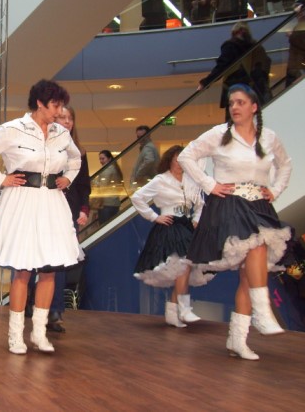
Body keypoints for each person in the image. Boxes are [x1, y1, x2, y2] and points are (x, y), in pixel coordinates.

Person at [178, 83, 292, 360]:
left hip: (259, 205)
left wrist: (275, 190)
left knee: (248, 273)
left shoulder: (269, 137)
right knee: (257, 245)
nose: (235, 107)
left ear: (254, 107)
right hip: (229, 205)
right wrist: (209, 184)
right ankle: (262, 312)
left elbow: (285, 164)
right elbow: (186, 156)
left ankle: (237, 340)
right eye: (231, 103)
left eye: (240, 102)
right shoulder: (219, 134)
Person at [0, 79, 81, 354]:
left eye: (61, 106)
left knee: (49, 270)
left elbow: (76, 158)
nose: (59, 111)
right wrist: (1, 178)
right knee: (23, 270)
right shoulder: (13, 129)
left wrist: (68, 177)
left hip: (52, 203)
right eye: (55, 105)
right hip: (22, 202)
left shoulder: (61, 133)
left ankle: (39, 333)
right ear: (40, 103)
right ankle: (15, 335)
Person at [131, 145, 213, 328]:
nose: (179, 163)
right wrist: (154, 217)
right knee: (183, 266)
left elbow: (200, 204)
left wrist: (196, 219)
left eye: (182, 160)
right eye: (176, 159)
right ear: (169, 160)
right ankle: (183, 309)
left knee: (184, 270)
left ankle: (173, 312)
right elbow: (137, 197)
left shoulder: (191, 181)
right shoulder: (161, 180)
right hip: (169, 227)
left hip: (186, 227)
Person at [48, 105, 91, 332]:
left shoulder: (80, 152)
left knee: (61, 262)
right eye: (62, 118)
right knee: (38, 259)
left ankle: (55, 311)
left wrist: (84, 209)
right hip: (45, 208)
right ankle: (33, 303)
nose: (67, 122)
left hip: (69, 212)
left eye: (70, 118)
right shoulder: (46, 147)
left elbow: (84, 186)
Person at [198, 21, 271, 121]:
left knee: (233, 117)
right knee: (252, 120)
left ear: (235, 32)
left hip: (234, 86)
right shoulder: (257, 47)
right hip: (254, 90)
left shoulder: (231, 45)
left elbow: (222, 66)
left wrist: (205, 82)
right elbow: (265, 65)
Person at [93, 149, 124, 225]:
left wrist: (92, 181)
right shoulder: (115, 168)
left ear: (109, 158)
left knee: (104, 226)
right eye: (100, 159)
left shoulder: (107, 169)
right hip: (114, 202)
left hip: (106, 203)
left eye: (103, 158)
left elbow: (102, 186)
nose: (101, 161)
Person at [130, 125, 160, 191]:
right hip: (147, 184)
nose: (140, 139)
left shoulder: (148, 147)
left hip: (146, 184)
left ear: (149, 135)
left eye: (143, 137)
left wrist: (138, 175)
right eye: (138, 137)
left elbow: (149, 160)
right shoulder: (147, 147)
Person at [285, 0, 305, 88]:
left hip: (299, 66)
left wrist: (291, 36)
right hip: (296, 66)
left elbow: (302, 43)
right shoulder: (299, 25)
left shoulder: (302, 25)